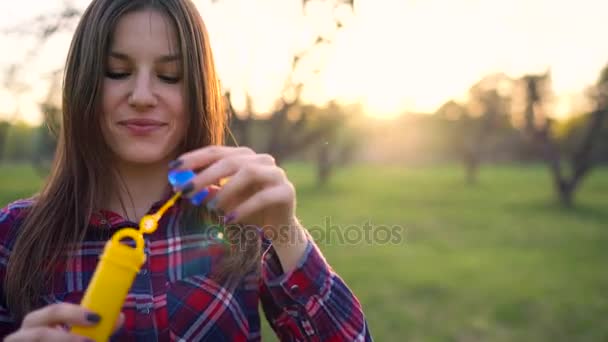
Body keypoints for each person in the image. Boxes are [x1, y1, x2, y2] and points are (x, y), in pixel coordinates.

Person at [0, 0, 371, 341]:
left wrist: (287, 233)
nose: (142, 95)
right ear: (84, 85)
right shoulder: (13, 237)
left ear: (197, 88)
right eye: (117, 72)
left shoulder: (241, 221)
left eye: (170, 75)